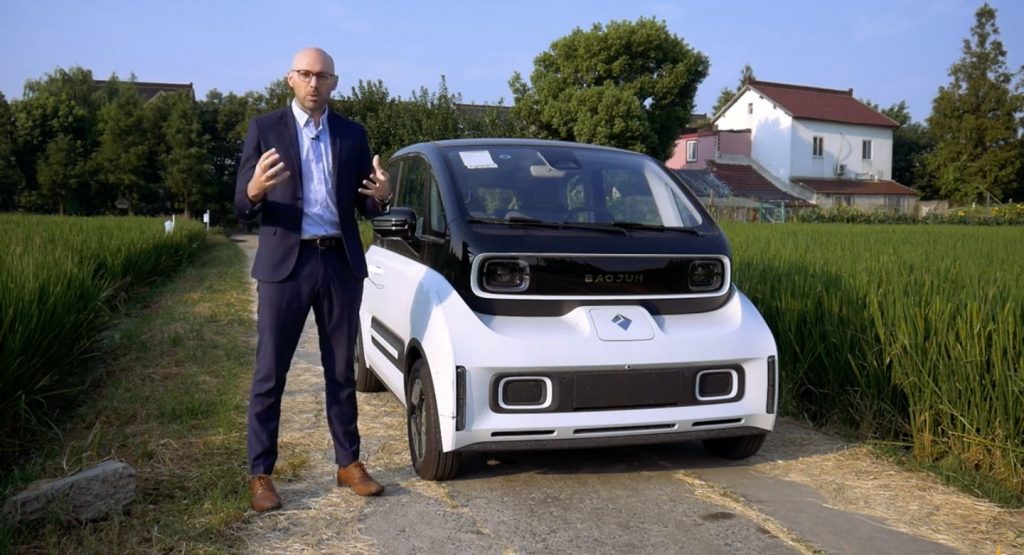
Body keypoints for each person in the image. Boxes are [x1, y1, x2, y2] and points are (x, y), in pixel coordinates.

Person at [234, 46, 392, 512]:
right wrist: (254, 190)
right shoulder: (265, 129)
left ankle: (348, 463)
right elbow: (241, 205)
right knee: (270, 372)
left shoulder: (351, 134)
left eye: (322, 76)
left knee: (341, 369)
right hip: (285, 265)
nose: (313, 83)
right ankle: (261, 473)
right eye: (305, 74)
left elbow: (367, 203)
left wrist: (382, 196)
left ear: (334, 83)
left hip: (339, 263)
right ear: (290, 78)